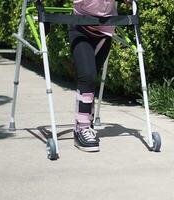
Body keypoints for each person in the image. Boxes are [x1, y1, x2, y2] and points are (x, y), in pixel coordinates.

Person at [69, 0, 132, 152]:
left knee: (91, 79)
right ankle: (81, 128)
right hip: (81, 27)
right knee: (87, 76)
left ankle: (85, 124)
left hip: (105, 32)